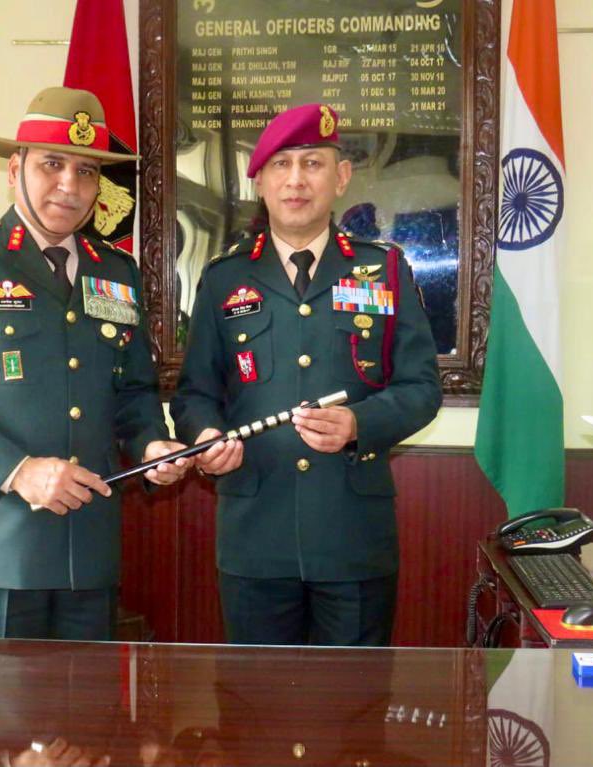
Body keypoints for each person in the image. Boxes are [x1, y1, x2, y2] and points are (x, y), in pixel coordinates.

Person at [0, 86, 189, 641]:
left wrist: (151, 444)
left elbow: (132, 392)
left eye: (87, 171)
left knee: (86, 721)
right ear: (14, 169)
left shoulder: (117, 272)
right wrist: (17, 470)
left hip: (87, 555)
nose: (70, 186)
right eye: (52, 164)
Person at [171, 103, 442, 646]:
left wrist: (359, 423)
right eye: (280, 164)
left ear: (340, 177)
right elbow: (195, 392)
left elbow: (422, 389)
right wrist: (204, 436)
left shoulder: (383, 269)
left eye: (312, 163)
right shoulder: (225, 278)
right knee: (255, 707)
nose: (295, 180)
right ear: (260, 181)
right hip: (254, 535)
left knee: (354, 712)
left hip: (352, 538)